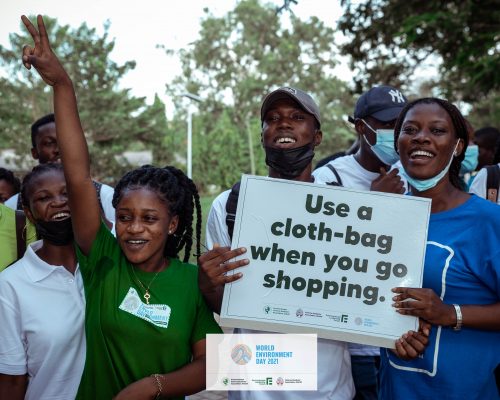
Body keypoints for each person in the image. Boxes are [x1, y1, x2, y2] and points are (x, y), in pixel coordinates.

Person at [21, 15, 221, 399]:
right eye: (125, 217)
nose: (134, 228)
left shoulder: (188, 281)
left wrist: (152, 387)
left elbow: (213, 363)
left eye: (149, 219)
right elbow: (78, 177)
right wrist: (62, 85)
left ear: (173, 223)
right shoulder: (104, 259)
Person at [199, 86, 427, 400]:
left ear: (317, 137)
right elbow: (223, 303)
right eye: (272, 118)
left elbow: (371, 288)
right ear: (263, 133)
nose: (283, 123)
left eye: (296, 117)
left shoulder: (350, 207)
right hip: (252, 388)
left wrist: (404, 325)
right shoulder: (230, 206)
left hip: (329, 390)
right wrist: (208, 283)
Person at [378, 98, 500, 399]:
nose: (421, 137)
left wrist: (450, 313)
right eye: (410, 129)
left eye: (437, 130)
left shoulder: (488, 221)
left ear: (458, 146)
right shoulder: (381, 217)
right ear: (398, 143)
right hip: (395, 389)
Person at [313, 85, 408, 399]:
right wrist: (376, 205)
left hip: (400, 339)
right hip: (354, 345)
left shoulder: (413, 178)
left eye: (401, 125)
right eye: (385, 125)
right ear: (360, 127)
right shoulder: (328, 180)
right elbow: (320, 258)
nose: (394, 133)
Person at [0, 163, 85, 400]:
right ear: (29, 213)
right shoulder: (10, 284)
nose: (58, 202)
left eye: (66, 193)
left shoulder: (104, 266)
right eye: (44, 197)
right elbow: (12, 380)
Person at [4, 113, 116, 227]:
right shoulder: (12, 206)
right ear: (34, 153)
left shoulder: (104, 196)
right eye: (48, 143)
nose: (58, 149)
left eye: (65, 142)